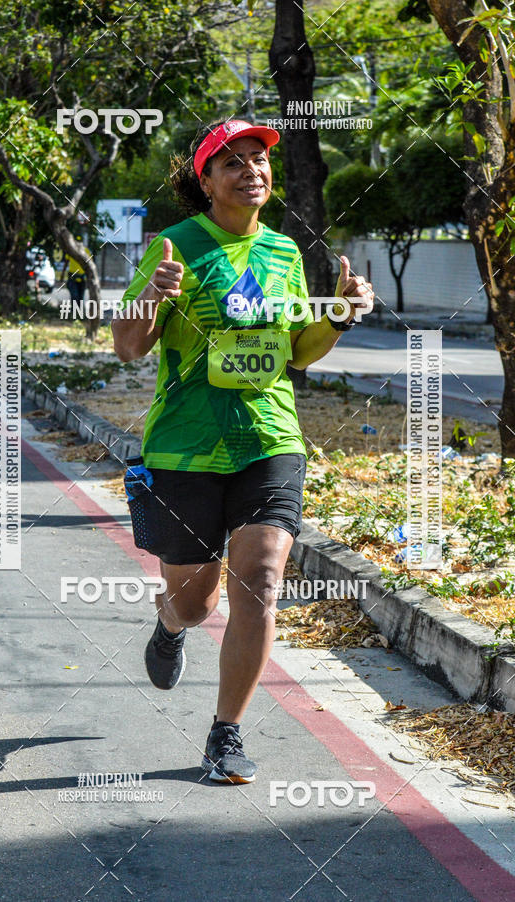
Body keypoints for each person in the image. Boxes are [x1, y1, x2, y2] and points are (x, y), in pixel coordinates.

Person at [112, 119, 374, 784]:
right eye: (233, 163)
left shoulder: (283, 253)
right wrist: (150, 297)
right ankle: (169, 627)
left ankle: (224, 734)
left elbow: (294, 353)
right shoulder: (176, 245)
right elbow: (129, 347)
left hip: (270, 440)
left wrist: (338, 317)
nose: (252, 170)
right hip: (185, 448)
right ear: (206, 181)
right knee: (195, 602)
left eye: (259, 160)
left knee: (257, 581)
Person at [60, 234, 90, 303]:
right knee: (74, 296)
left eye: (79, 242)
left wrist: (89, 277)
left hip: (82, 278)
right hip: (72, 277)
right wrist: (62, 274)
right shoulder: (71, 251)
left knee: (80, 298)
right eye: (77, 242)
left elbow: (89, 265)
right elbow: (66, 263)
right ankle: (74, 311)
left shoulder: (86, 251)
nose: (78, 244)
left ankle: (78, 312)